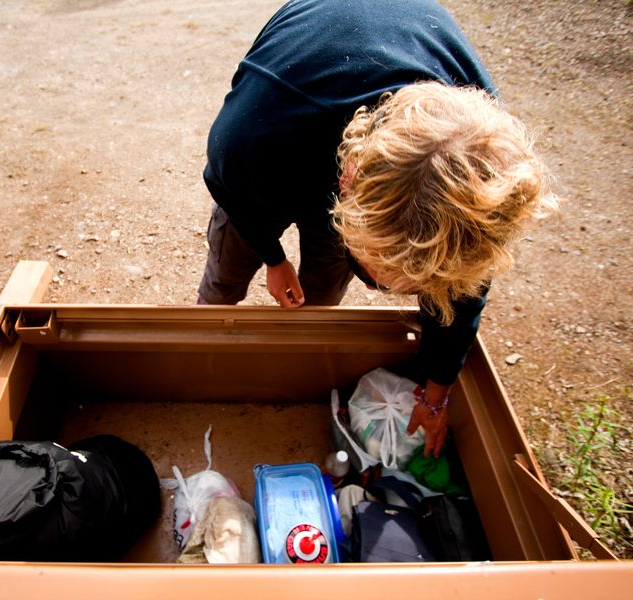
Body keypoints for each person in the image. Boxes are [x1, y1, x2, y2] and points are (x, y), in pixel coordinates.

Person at [197, 0, 557, 457]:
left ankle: (306, 353)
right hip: (291, 125)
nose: (376, 288)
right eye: (376, 271)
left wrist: (436, 391)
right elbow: (227, 185)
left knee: (322, 292)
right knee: (227, 270)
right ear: (347, 184)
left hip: (361, 162)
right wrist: (272, 257)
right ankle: (203, 353)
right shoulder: (254, 135)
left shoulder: (484, 172)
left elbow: (461, 291)